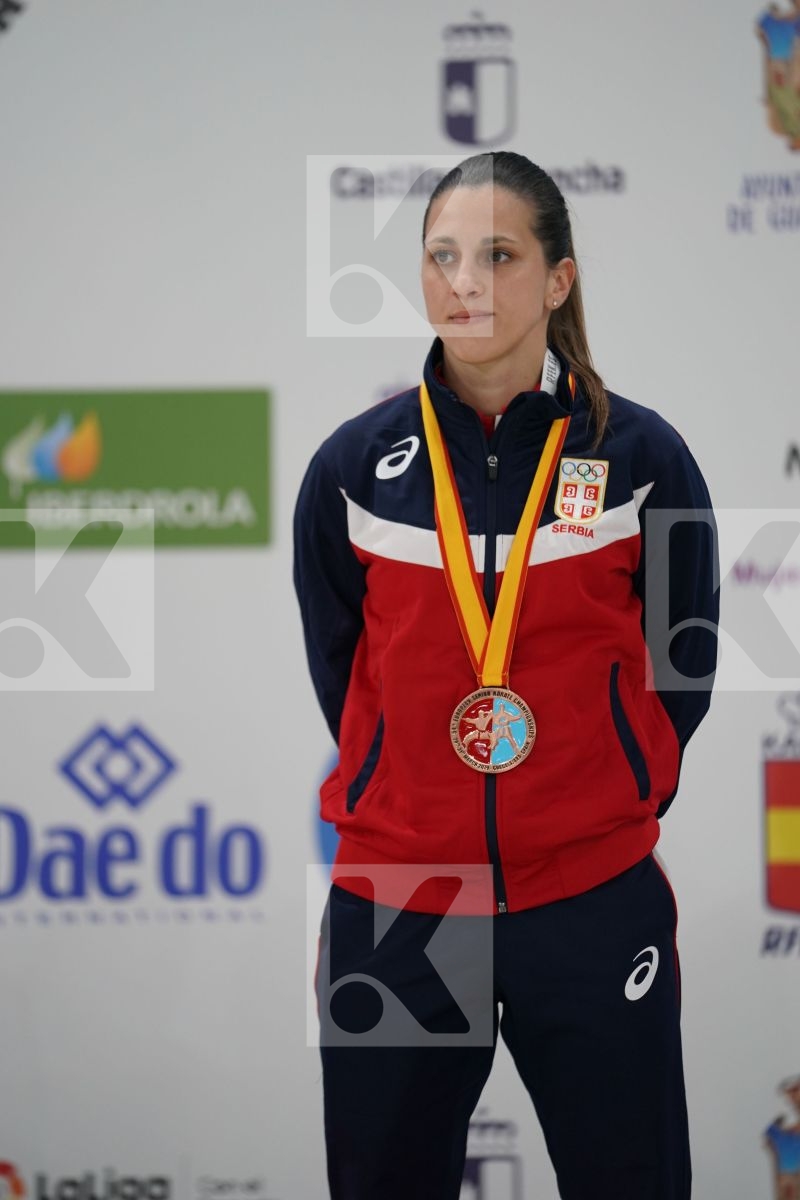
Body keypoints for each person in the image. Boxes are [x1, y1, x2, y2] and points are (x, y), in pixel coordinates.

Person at [294, 151, 719, 1200]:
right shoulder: (354, 469)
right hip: (398, 901)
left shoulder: (638, 458)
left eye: (496, 254)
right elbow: (341, 668)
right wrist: (412, 790)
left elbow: (685, 659)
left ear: (557, 279)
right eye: (440, 256)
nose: (462, 282)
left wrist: (601, 792)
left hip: (586, 895)